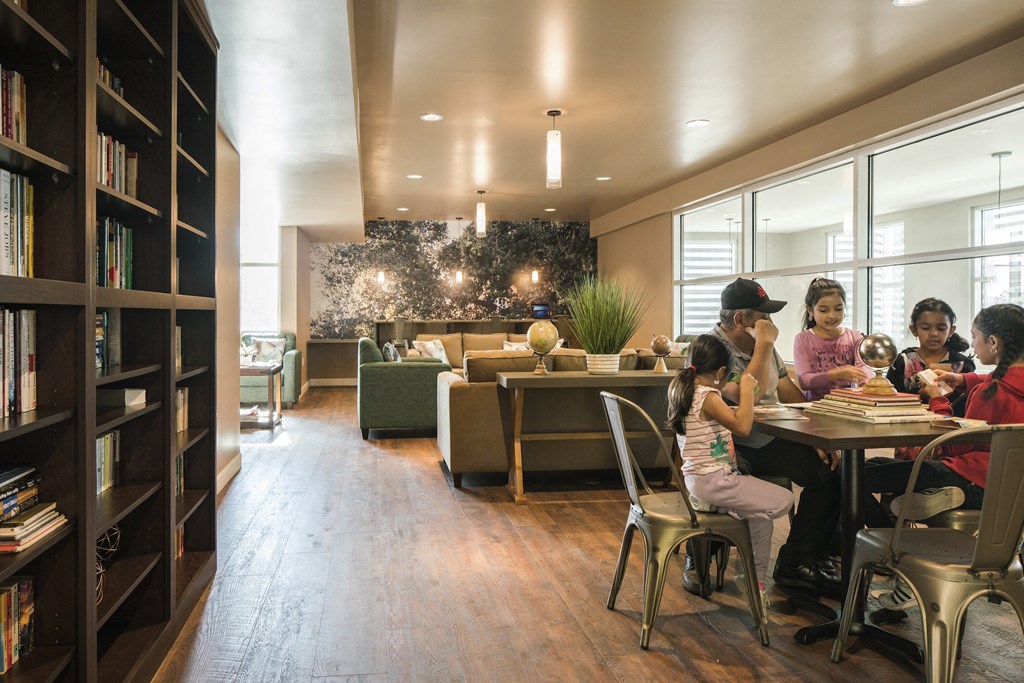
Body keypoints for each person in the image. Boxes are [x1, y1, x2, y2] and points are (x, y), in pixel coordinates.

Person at [873, 303, 1024, 610]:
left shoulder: (991, 393)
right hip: (1009, 490)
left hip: (969, 478)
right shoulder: (999, 386)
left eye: (975, 336)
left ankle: (903, 562)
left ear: (993, 342)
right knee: (885, 472)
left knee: (859, 474)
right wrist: (964, 380)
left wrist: (937, 400)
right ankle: (935, 497)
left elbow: (953, 444)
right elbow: (1001, 379)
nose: (974, 345)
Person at [705, 278, 842, 597]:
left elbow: (789, 393)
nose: (770, 323)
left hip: (766, 440)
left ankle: (797, 562)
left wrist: (816, 435)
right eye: (763, 316)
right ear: (740, 319)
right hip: (725, 446)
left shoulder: (763, 346)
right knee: (726, 486)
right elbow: (744, 395)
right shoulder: (710, 350)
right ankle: (698, 559)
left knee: (830, 473)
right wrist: (765, 344)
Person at [667, 335, 794, 609]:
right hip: (716, 481)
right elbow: (743, 427)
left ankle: (754, 582)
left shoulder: (683, 389)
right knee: (785, 499)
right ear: (721, 372)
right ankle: (747, 574)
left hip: (699, 481)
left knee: (761, 520)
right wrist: (747, 389)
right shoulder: (708, 396)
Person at [886, 297, 975, 418]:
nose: (934, 333)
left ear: (951, 331)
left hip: (951, 424)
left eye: (941, 329)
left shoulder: (962, 364)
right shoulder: (902, 362)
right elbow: (890, 399)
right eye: (926, 328)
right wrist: (921, 393)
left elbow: (966, 403)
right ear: (914, 329)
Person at [793, 277, 874, 401]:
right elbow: (804, 381)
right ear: (810, 310)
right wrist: (834, 375)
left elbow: (864, 368)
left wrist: (865, 382)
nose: (832, 315)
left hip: (849, 404)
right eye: (824, 310)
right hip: (816, 406)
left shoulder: (855, 336)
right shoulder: (803, 339)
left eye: (838, 309)